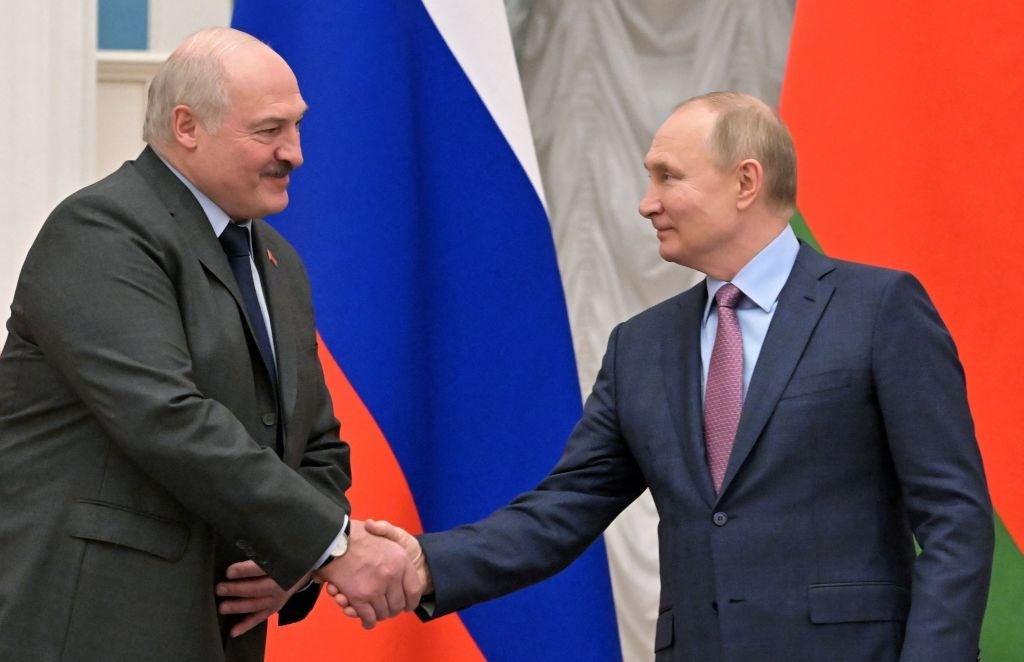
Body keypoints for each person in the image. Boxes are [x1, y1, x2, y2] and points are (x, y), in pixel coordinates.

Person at [341, 92, 995, 661]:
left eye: (667, 177)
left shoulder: (878, 310)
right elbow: (562, 510)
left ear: (746, 182)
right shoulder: (641, 347)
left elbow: (954, 518)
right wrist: (424, 563)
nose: (645, 203)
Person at [0, 27, 422, 662]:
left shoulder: (277, 262)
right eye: (270, 130)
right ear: (187, 126)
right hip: (95, 624)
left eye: (297, 126)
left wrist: (293, 561)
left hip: (220, 631)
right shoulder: (102, 231)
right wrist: (330, 546)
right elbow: (167, 417)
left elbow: (318, 443)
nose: (295, 153)